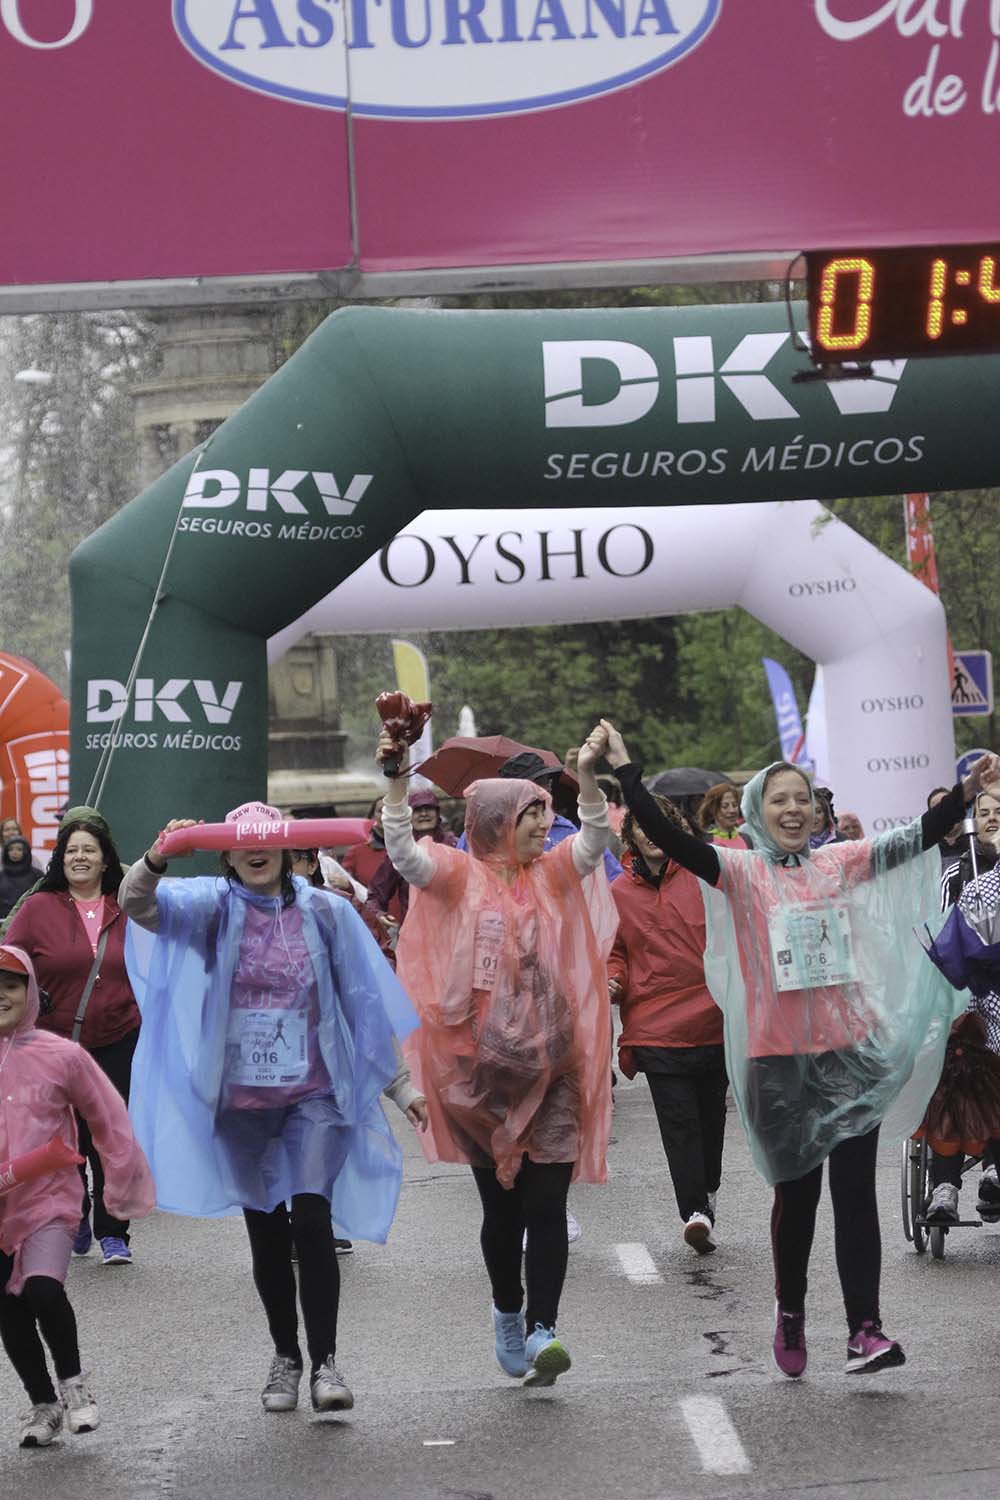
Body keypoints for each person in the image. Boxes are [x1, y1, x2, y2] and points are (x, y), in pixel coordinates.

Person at [603, 719, 999, 1379]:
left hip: (849, 1055)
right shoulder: (739, 872)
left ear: (817, 812)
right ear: (760, 810)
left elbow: (917, 838)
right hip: (778, 1067)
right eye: (780, 799)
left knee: (854, 1195)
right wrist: (626, 770)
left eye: (803, 800)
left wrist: (966, 794)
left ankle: (864, 1330)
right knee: (799, 1201)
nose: (793, 809)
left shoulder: (839, 863)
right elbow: (671, 837)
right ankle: (790, 1311)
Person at [119, 801, 427, 1417]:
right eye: (241, 844)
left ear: (289, 850)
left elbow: (363, 1004)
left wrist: (402, 1087)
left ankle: (327, 1362)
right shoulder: (211, 908)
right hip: (240, 1102)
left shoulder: (327, 914)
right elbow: (138, 906)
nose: (255, 853)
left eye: (268, 843)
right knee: (266, 1232)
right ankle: (285, 1355)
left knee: (311, 1219)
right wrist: (158, 856)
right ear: (228, 853)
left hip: (314, 1097)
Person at [378, 723, 616, 1388]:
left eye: (546, 814)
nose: (545, 826)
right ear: (495, 821)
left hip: (557, 1067)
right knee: (502, 1212)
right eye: (532, 816)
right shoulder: (456, 875)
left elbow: (594, 840)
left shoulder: (557, 873)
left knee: (546, 1206)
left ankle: (544, 1327)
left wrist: (589, 779)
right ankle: (507, 1311)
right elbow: (402, 853)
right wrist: (398, 782)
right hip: (480, 1080)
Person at [0, 944, 154, 1448]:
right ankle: (42, 1404)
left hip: (47, 1200)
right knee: (8, 1307)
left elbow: (105, 1114)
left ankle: (74, 1387)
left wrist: (121, 1175)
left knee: (42, 1289)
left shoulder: (61, 1054)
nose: (1, 995)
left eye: (11, 984)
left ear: (30, 994)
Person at [5, 807, 141, 1267]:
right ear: (61, 858)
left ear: (106, 860)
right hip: (56, 1042)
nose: (80, 857)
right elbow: (10, 959)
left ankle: (113, 1231)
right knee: (67, 1135)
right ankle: (75, 1212)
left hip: (121, 1034)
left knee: (108, 1131)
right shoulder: (39, 908)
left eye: (90, 850)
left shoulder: (129, 905)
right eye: (72, 851)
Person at [608, 793, 727, 1254]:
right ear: (632, 836)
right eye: (643, 826)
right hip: (655, 1025)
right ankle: (695, 1211)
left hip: (712, 1018)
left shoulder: (704, 877)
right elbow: (614, 952)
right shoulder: (618, 892)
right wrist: (613, 979)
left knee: (710, 1121)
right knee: (678, 1124)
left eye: (664, 824)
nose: (654, 834)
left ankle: (708, 1191)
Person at [459, 751, 624, 884]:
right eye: (535, 784)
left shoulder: (566, 830)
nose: (544, 790)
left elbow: (609, 873)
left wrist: (586, 770)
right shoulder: (478, 834)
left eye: (546, 782)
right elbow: (460, 883)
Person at [365, 789, 457, 942]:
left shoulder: (454, 845)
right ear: (408, 815)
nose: (423, 814)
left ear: (437, 813)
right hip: (414, 940)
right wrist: (379, 915)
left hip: (453, 935)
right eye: (417, 810)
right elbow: (375, 895)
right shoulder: (400, 851)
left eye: (428, 808)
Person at [0, 834, 43, 920]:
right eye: (11, 849)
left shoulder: (37, 875)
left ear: (26, 851)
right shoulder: (1, 876)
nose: (14, 852)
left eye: (19, 849)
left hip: (31, 920)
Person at [698, 784, 748, 850]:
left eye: (734, 805)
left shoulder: (747, 839)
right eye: (725, 806)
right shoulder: (705, 841)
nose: (732, 810)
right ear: (712, 809)